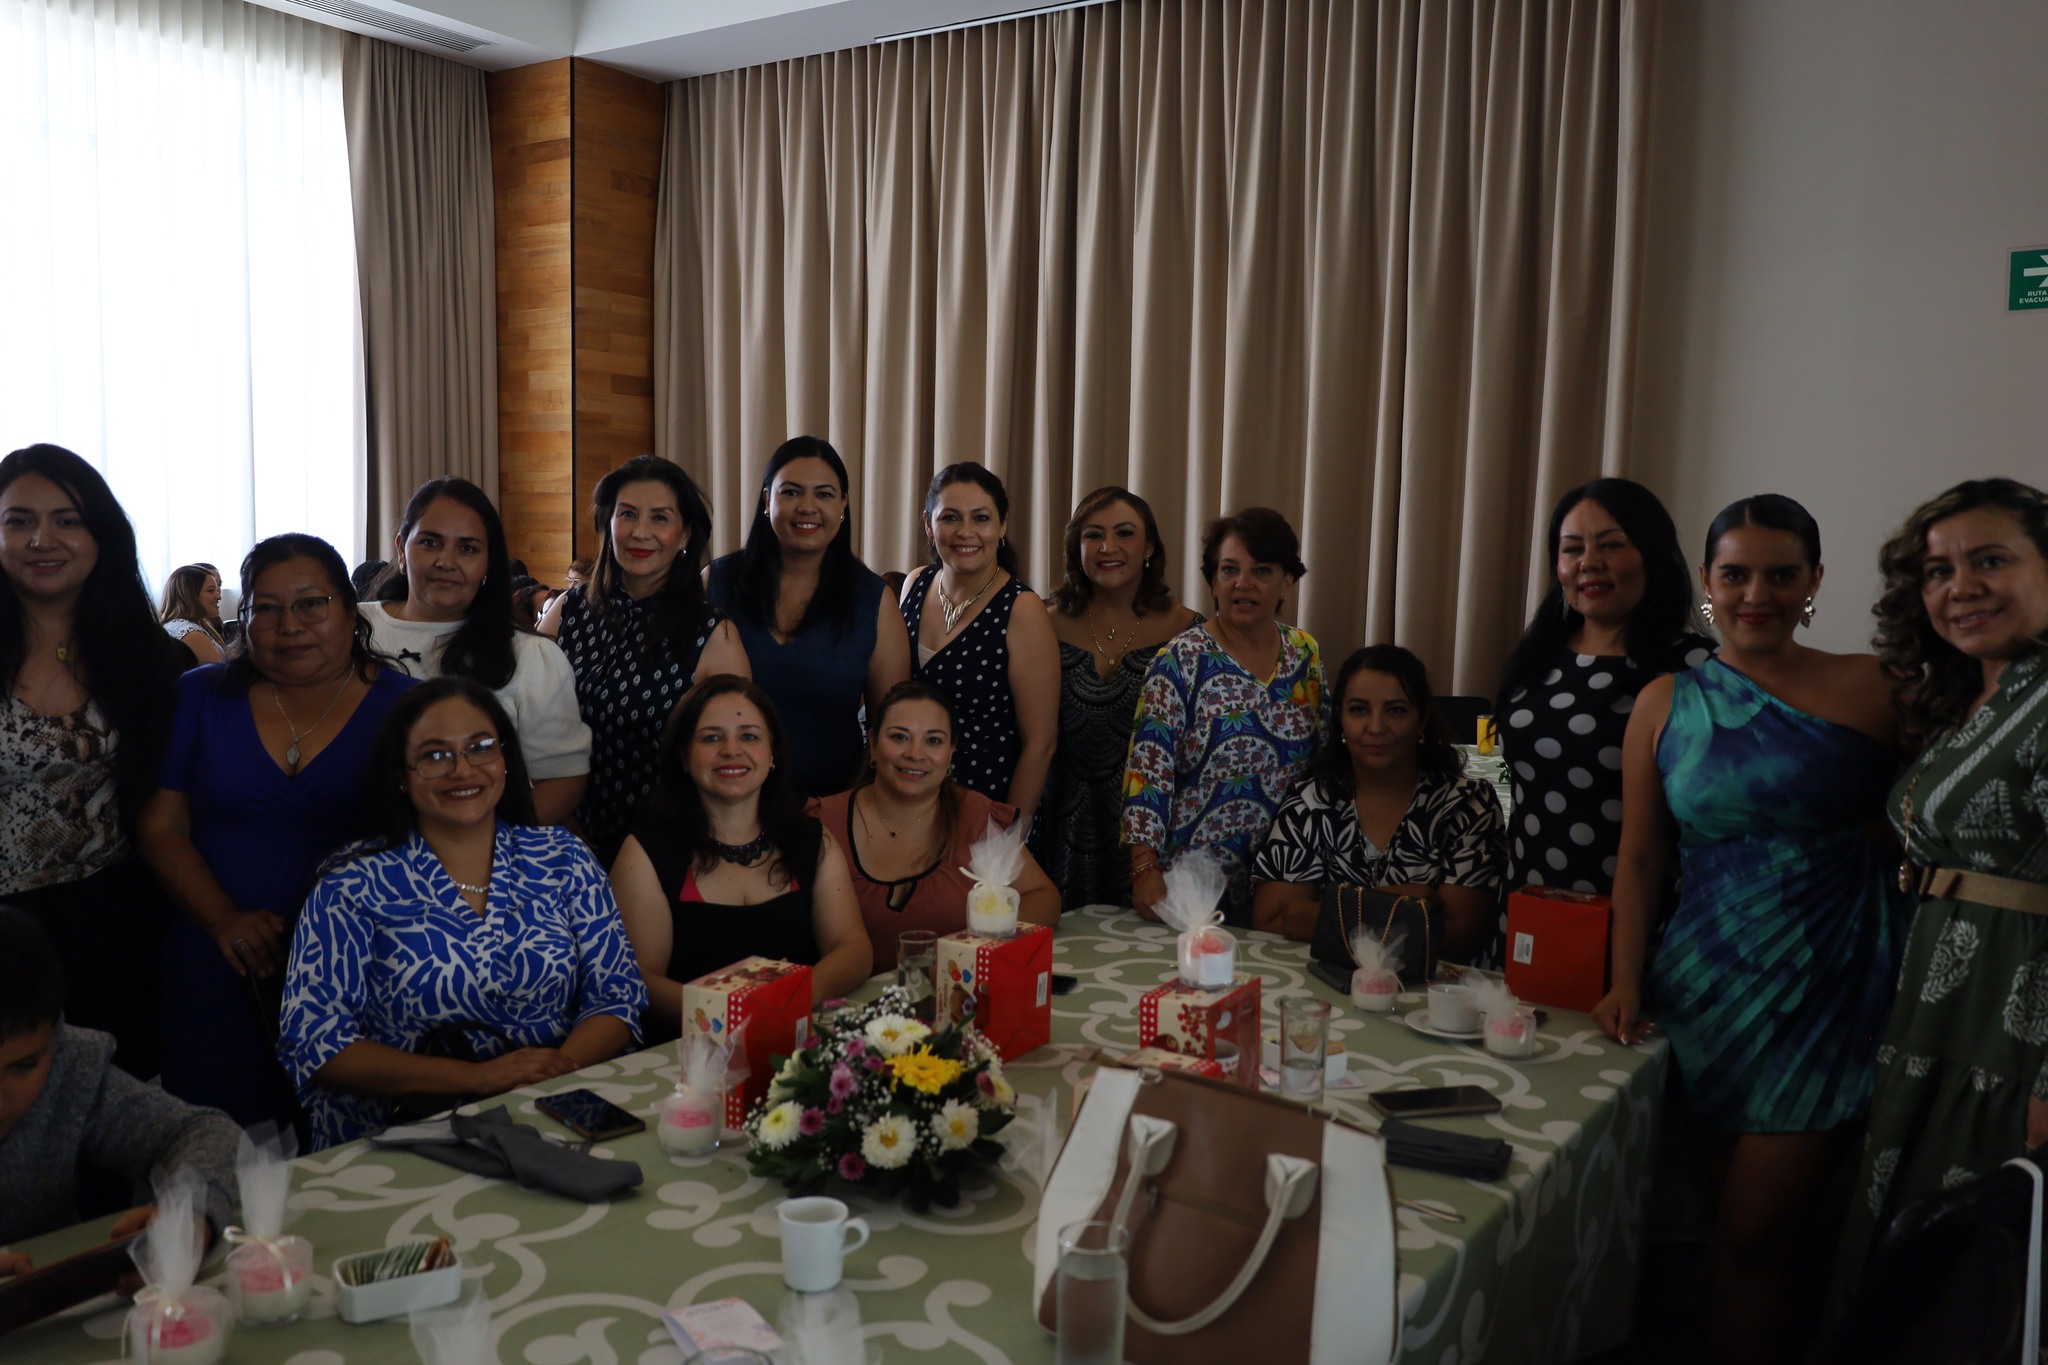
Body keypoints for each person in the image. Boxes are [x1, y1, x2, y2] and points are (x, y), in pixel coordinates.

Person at [1592, 495, 1906, 1365]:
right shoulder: (1664, 701)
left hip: (1834, 987)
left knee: (1754, 1227)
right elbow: (1640, 859)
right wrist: (1624, 979)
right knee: (1727, 1227)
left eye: (1780, 574)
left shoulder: (1879, 686)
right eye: (1736, 574)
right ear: (1707, 579)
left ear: (1813, 581)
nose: (1756, 594)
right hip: (1705, 986)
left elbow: (1932, 816)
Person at [1836, 478, 2048, 1294]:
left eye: (1990, 560)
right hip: (1943, 1007)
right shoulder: (1978, 691)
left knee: (1977, 1275)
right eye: (1937, 570)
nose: (1960, 586)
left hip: (2016, 1021)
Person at [278, 679, 646, 1149]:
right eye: (435, 755)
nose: (462, 769)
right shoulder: (351, 883)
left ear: (506, 758)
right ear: (400, 774)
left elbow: (617, 995)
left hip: (555, 1112)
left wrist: (550, 1074)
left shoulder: (562, 857)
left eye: (481, 747)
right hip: (403, 1135)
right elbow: (315, 1040)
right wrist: (479, 1079)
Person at [140, 534, 417, 1128]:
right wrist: (223, 920)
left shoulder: (408, 707)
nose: (289, 625)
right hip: (216, 956)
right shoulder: (201, 696)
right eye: (265, 608)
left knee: (352, 1140)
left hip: (359, 963)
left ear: (350, 611)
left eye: (311, 604)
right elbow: (161, 825)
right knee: (211, 1138)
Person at [0, 444, 187, 1080]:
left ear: (100, 535)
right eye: (19, 521)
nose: (41, 540)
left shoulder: (145, 654)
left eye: (67, 520)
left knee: (115, 1102)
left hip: (117, 921)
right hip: (5, 933)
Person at [1494, 479, 1714, 904]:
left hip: (1639, 914)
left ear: (1653, 556)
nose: (1589, 563)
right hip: (1527, 904)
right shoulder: (1537, 656)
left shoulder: (1694, 667)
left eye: (1611, 545)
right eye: (1572, 549)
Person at [611, 676, 872, 1031]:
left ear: (773, 753)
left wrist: (793, 996)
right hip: (688, 1049)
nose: (731, 750)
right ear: (683, 756)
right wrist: (730, 1013)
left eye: (749, 736)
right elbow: (640, 979)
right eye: (711, 737)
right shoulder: (644, 852)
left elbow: (854, 949)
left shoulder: (812, 839)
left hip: (798, 1042)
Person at [541, 456, 748, 865]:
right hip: (561, 840)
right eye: (628, 514)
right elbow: (525, 721)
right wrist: (559, 819)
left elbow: (733, 754)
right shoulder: (568, 610)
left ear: (684, 534)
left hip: (667, 849)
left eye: (660, 518)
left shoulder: (713, 635)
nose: (640, 532)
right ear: (607, 524)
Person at [1122, 507, 1325, 923]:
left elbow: (1324, 762)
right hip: (1193, 888)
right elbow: (1148, 773)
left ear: (1287, 580)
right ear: (1213, 581)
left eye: (1261, 571)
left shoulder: (1305, 653)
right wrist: (1144, 869)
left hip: (1287, 881)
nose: (1242, 583)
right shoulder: (1179, 660)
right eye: (1229, 569)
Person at [0, 908, 240, 1256]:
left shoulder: (70, 1064)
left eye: (24, 1066)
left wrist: (189, 1215)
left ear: (55, 1037)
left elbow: (202, 1132)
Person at [1251, 645, 1507, 960]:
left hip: (1435, 988)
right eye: (1359, 710)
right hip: (1319, 984)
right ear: (1340, 718)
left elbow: (1459, 936)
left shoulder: (1467, 804)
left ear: (1422, 719)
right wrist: (1410, 899)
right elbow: (1274, 921)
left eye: (1395, 711)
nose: (1375, 727)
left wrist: (1317, 914)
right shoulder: (1309, 802)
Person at [360, 478, 590, 824]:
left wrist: (478, 844)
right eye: (429, 543)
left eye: (467, 548)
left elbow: (562, 781)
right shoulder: (352, 629)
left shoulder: (529, 655)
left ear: (488, 562)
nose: (446, 561)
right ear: (401, 549)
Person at [706, 436, 911, 798]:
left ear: (843, 505)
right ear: (767, 500)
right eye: (791, 492)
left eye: (824, 494)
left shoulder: (875, 601)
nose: (807, 507)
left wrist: (850, 809)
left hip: (831, 805)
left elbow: (890, 728)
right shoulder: (716, 583)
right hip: (722, 799)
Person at [813, 680, 1060, 971]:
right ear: (874, 745)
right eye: (899, 737)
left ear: (951, 752)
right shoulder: (820, 822)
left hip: (954, 987)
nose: (915, 754)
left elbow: (1045, 899)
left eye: (933, 741)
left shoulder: (977, 818)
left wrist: (968, 949)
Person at [1039, 487, 1201, 908]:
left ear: (1149, 547)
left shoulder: (1190, 633)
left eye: (1124, 533)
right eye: (1093, 535)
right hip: (1056, 832)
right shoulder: (1039, 623)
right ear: (1076, 547)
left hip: (1156, 840)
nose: (1107, 547)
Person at [897, 463, 1059, 823]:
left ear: (1001, 526)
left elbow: (1040, 745)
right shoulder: (915, 584)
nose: (965, 532)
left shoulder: (1023, 609)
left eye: (981, 518)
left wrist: (1005, 838)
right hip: (906, 798)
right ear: (928, 525)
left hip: (984, 805)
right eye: (950, 518)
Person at [157, 563, 226, 665]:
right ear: (190, 595)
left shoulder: (176, 625)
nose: (218, 596)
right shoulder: (192, 634)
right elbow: (219, 673)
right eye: (211, 590)